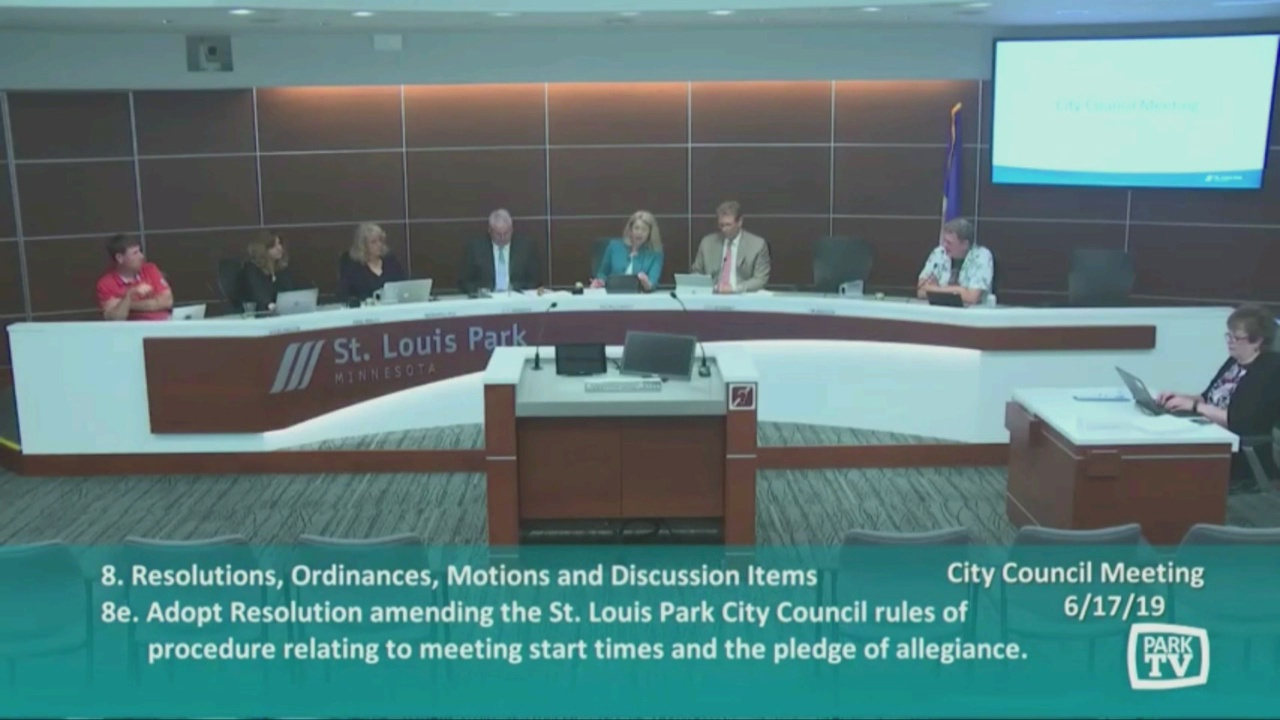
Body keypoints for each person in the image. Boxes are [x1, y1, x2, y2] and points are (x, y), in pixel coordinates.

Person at [1156, 305, 1280, 481]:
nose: (1230, 341)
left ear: (1257, 341)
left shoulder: (1268, 370)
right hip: (1212, 433)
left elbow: (1239, 420)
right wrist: (1179, 397)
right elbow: (1207, 398)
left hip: (1239, 453)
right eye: (1229, 335)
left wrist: (1195, 406)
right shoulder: (1234, 362)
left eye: (1236, 338)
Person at [690, 201, 770, 293]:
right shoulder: (707, 243)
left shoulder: (757, 245)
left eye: (728, 225)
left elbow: (761, 279)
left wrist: (734, 289)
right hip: (712, 295)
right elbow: (696, 273)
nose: (724, 229)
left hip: (742, 296)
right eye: (721, 225)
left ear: (739, 222)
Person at [458, 209, 541, 295]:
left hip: (517, 298)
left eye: (506, 233)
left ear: (512, 230)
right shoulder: (475, 249)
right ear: (490, 231)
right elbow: (465, 282)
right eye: (498, 234)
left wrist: (517, 290)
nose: (502, 237)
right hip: (487, 299)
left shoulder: (526, 247)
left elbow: (535, 281)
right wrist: (481, 291)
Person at [916, 218, 994, 306]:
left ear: (965, 244)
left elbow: (972, 297)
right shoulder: (939, 252)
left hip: (972, 312)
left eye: (949, 242)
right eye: (944, 241)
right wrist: (961, 291)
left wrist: (935, 289)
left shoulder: (982, 256)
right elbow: (921, 290)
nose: (944, 245)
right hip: (939, 310)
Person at [95, 234, 173, 321]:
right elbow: (116, 318)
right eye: (135, 253)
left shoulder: (150, 269)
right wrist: (128, 296)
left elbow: (167, 302)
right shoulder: (105, 284)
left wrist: (126, 304)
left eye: (140, 251)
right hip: (133, 328)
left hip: (163, 323)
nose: (141, 256)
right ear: (120, 258)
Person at [591, 211, 664, 292]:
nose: (639, 233)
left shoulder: (655, 254)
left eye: (644, 230)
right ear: (630, 230)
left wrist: (646, 282)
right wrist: (600, 282)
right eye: (636, 228)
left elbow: (652, 283)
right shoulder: (614, 246)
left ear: (650, 233)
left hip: (640, 296)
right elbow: (602, 273)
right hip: (613, 294)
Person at [339, 222, 406, 303]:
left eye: (380, 240)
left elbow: (404, 286)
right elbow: (344, 295)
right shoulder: (353, 268)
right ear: (363, 246)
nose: (379, 245)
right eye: (373, 242)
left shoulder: (391, 261)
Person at [238, 230, 297, 313]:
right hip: (260, 315)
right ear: (262, 249)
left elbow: (290, 292)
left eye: (279, 243)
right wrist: (271, 306)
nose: (279, 248)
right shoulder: (251, 270)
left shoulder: (282, 270)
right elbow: (259, 294)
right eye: (273, 246)